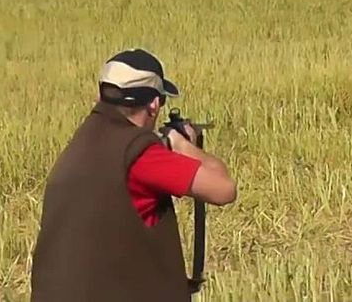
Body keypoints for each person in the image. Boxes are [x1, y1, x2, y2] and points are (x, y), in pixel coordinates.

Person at [31, 48, 237, 302]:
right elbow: (224, 189)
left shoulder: (83, 142)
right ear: (153, 104)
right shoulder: (141, 155)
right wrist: (180, 144)